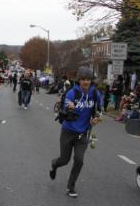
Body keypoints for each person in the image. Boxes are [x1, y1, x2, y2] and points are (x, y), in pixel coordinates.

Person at [49, 66, 101, 198]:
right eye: (83, 79)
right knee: (64, 160)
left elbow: (99, 110)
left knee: (79, 160)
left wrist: (96, 118)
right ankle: (54, 164)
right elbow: (66, 104)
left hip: (83, 133)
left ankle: (70, 187)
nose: (86, 82)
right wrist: (69, 107)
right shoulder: (72, 92)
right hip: (68, 131)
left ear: (91, 81)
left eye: (88, 79)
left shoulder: (95, 93)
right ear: (79, 80)